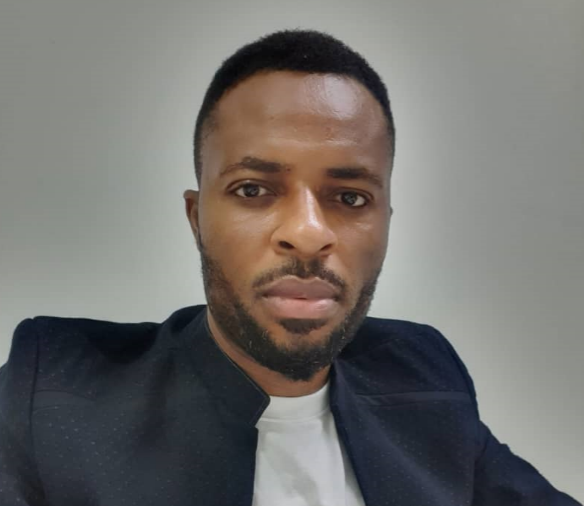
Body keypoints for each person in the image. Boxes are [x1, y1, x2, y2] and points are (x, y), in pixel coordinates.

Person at [0, 29, 580, 506]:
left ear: (385, 221)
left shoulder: (424, 373)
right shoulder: (53, 391)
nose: (307, 233)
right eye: (253, 190)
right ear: (197, 218)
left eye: (350, 197)